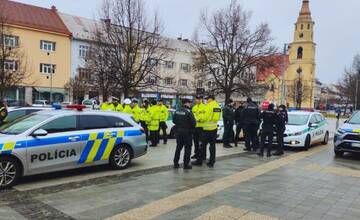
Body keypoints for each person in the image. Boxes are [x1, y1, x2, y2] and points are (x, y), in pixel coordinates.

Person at [192, 95, 221, 168]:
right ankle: (212, 161)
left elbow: (205, 117)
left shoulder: (209, 106)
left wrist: (198, 119)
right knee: (212, 146)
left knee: (202, 145)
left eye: (207, 99)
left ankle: (199, 161)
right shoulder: (218, 106)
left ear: (211, 99)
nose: (206, 100)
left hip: (206, 129)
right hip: (214, 128)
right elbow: (217, 117)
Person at [173, 99, 196, 169]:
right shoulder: (189, 112)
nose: (190, 104)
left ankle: (176, 163)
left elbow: (174, 121)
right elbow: (194, 123)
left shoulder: (177, 111)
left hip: (179, 131)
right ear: (187, 103)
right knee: (187, 148)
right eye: (189, 103)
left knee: (178, 148)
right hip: (187, 132)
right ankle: (186, 164)